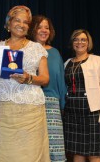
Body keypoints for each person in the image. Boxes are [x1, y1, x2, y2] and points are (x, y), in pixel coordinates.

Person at [0, 5, 50, 162]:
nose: (21, 25)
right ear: (8, 23)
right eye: (17, 20)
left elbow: (45, 78)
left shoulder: (36, 48)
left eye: (26, 22)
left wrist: (28, 78)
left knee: (29, 156)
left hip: (30, 112)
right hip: (2, 113)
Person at [63, 29, 100, 162]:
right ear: (72, 42)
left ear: (88, 42)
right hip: (71, 114)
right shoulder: (67, 63)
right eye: (76, 39)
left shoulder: (98, 60)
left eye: (83, 39)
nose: (80, 42)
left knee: (94, 155)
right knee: (77, 154)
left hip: (92, 113)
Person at [28, 15, 67, 162]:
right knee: (34, 146)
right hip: (31, 103)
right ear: (33, 30)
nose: (44, 30)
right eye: (40, 27)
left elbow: (61, 82)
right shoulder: (26, 50)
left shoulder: (55, 53)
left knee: (54, 148)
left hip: (52, 104)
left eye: (47, 27)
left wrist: (62, 104)